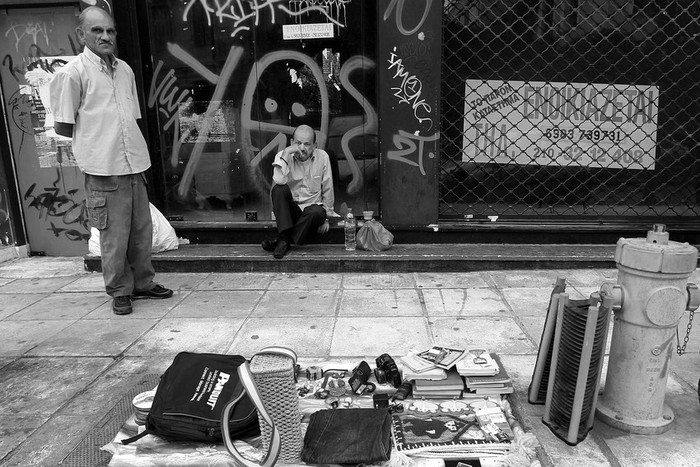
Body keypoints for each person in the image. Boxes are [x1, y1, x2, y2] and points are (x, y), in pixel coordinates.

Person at [49, 6, 172, 315]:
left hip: (135, 164)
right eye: (97, 30)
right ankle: (119, 289)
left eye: (110, 30)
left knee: (142, 234)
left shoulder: (126, 70)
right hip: (103, 168)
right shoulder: (72, 73)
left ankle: (143, 283)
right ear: (81, 34)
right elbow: (64, 125)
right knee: (114, 238)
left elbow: (131, 118)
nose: (106, 36)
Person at [262, 125, 338, 259]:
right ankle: (286, 240)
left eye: (307, 144)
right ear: (292, 143)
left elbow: (328, 188)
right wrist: (286, 154)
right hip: (291, 213)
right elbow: (279, 181)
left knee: (317, 211)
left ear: (315, 145)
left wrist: (327, 217)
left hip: (312, 214)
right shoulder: (282, 156)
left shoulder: (323, 157)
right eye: (298, 143)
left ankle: (284, 241)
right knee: (279, 189)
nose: (302, 148)